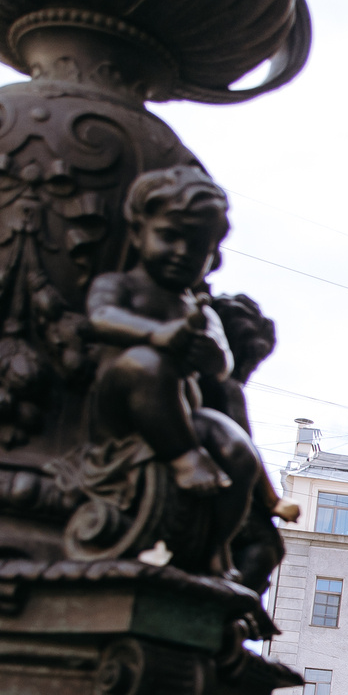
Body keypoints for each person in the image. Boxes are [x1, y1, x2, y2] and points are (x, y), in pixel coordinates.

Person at [86, 167, 241, 494]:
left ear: (213, 255)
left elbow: (223, 364)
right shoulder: (121, 285)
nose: (183, 252)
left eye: (197, 245)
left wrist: (212, 358)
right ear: (138, 232)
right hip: (120, 404)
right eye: (169, 236)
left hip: (184, 411)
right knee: (146, 364)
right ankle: (186, 460)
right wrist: (155, 333)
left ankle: (238, 521)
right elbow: (101, 316)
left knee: (231, 440)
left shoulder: (200, 309)